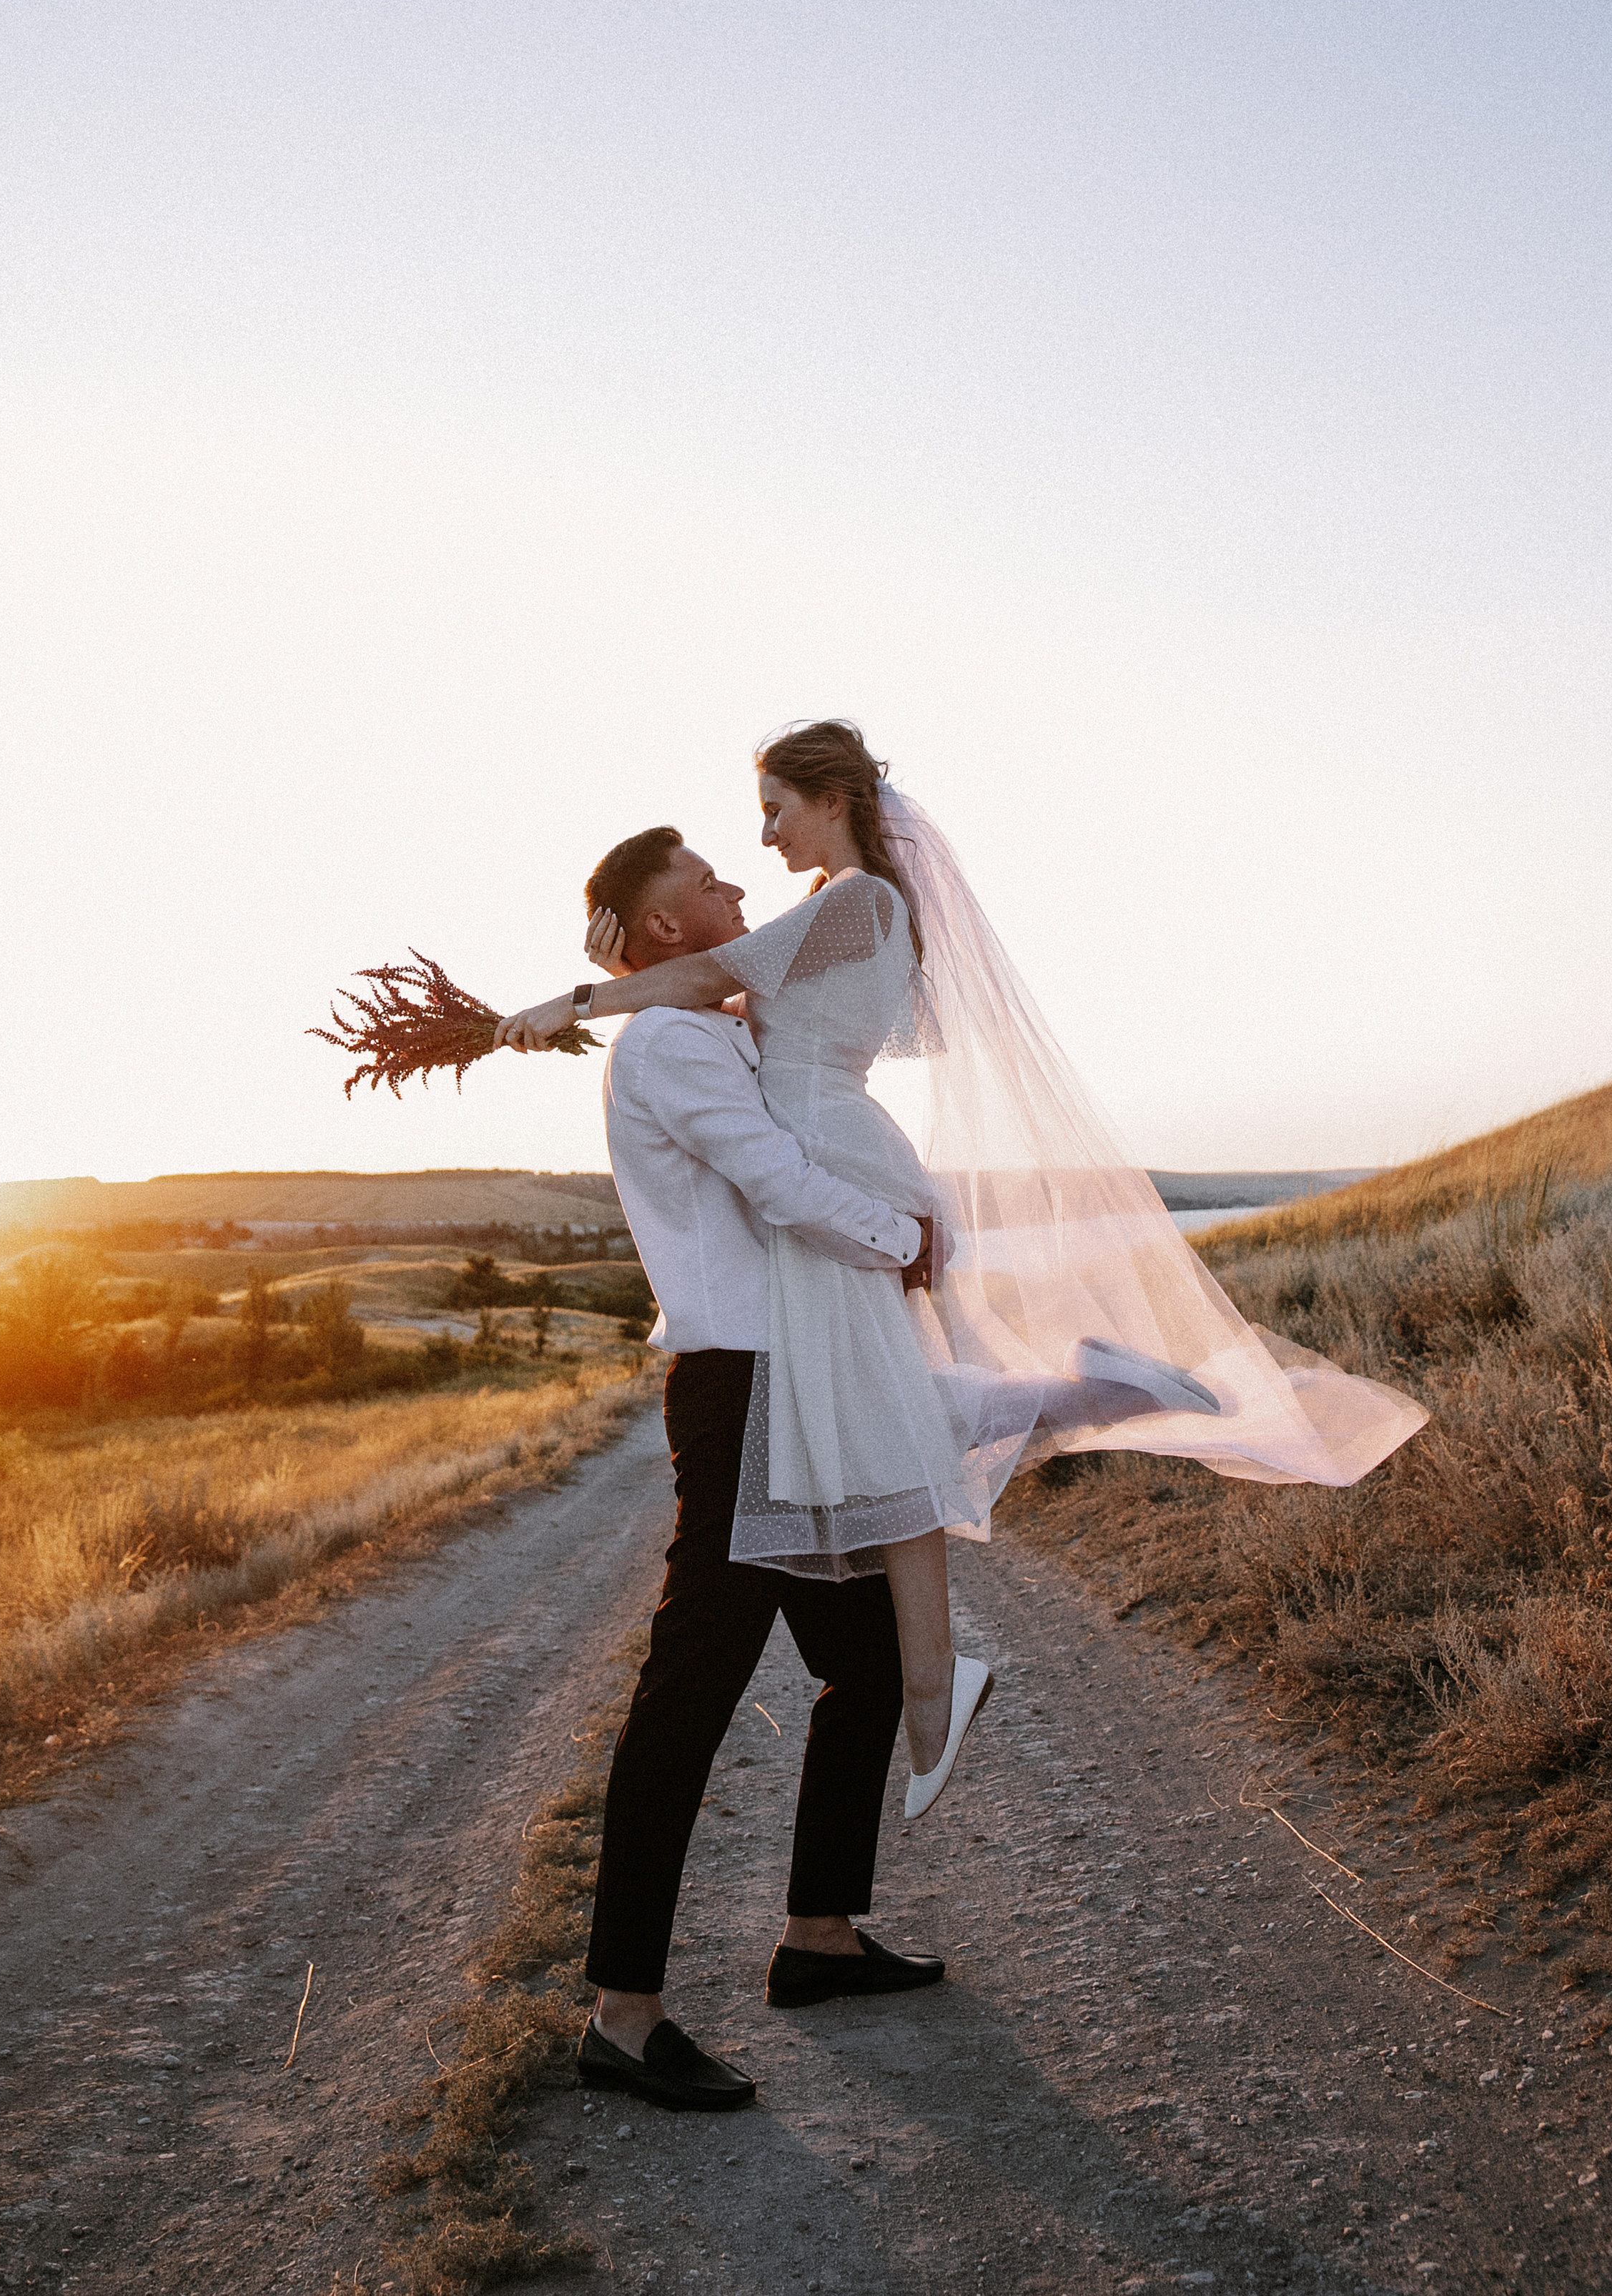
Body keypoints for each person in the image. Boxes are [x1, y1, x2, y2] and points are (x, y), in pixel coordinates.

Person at [497, 724, 1428, 1830]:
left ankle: (947, 1672)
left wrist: (580, 1000)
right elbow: (723, 994)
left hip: (834, 1154)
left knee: (885, 1427)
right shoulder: (859, 910)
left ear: (831, 800)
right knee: (886, 1418)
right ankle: (1031, 1505)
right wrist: (625, 975)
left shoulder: (853, 900)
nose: (761, 836)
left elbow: (708, 974)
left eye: (775, 809)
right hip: (840, 1140)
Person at [562, 824, 951, 2117]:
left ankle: (820, 1938)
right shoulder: (672, 1044)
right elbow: (781, 1183)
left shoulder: (709, 1019)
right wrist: (900, 1237)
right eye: (710, 884)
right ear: (663, 924)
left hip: (790, 1387)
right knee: (691, 1693)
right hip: (739, 1399)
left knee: (870, 1661)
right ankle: (623, 2015)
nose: (739, 887)